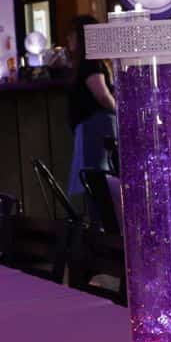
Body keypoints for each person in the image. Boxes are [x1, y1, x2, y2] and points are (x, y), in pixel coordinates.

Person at [65, 13, 117, 211]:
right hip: (94, 127)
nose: (68, 39)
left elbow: (102, 95)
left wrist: (119, 114)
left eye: (72, 35)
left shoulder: (89, 63)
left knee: (96, 179)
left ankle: (102, 227)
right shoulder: (91, 62)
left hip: (96, 128)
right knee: (96, 179)